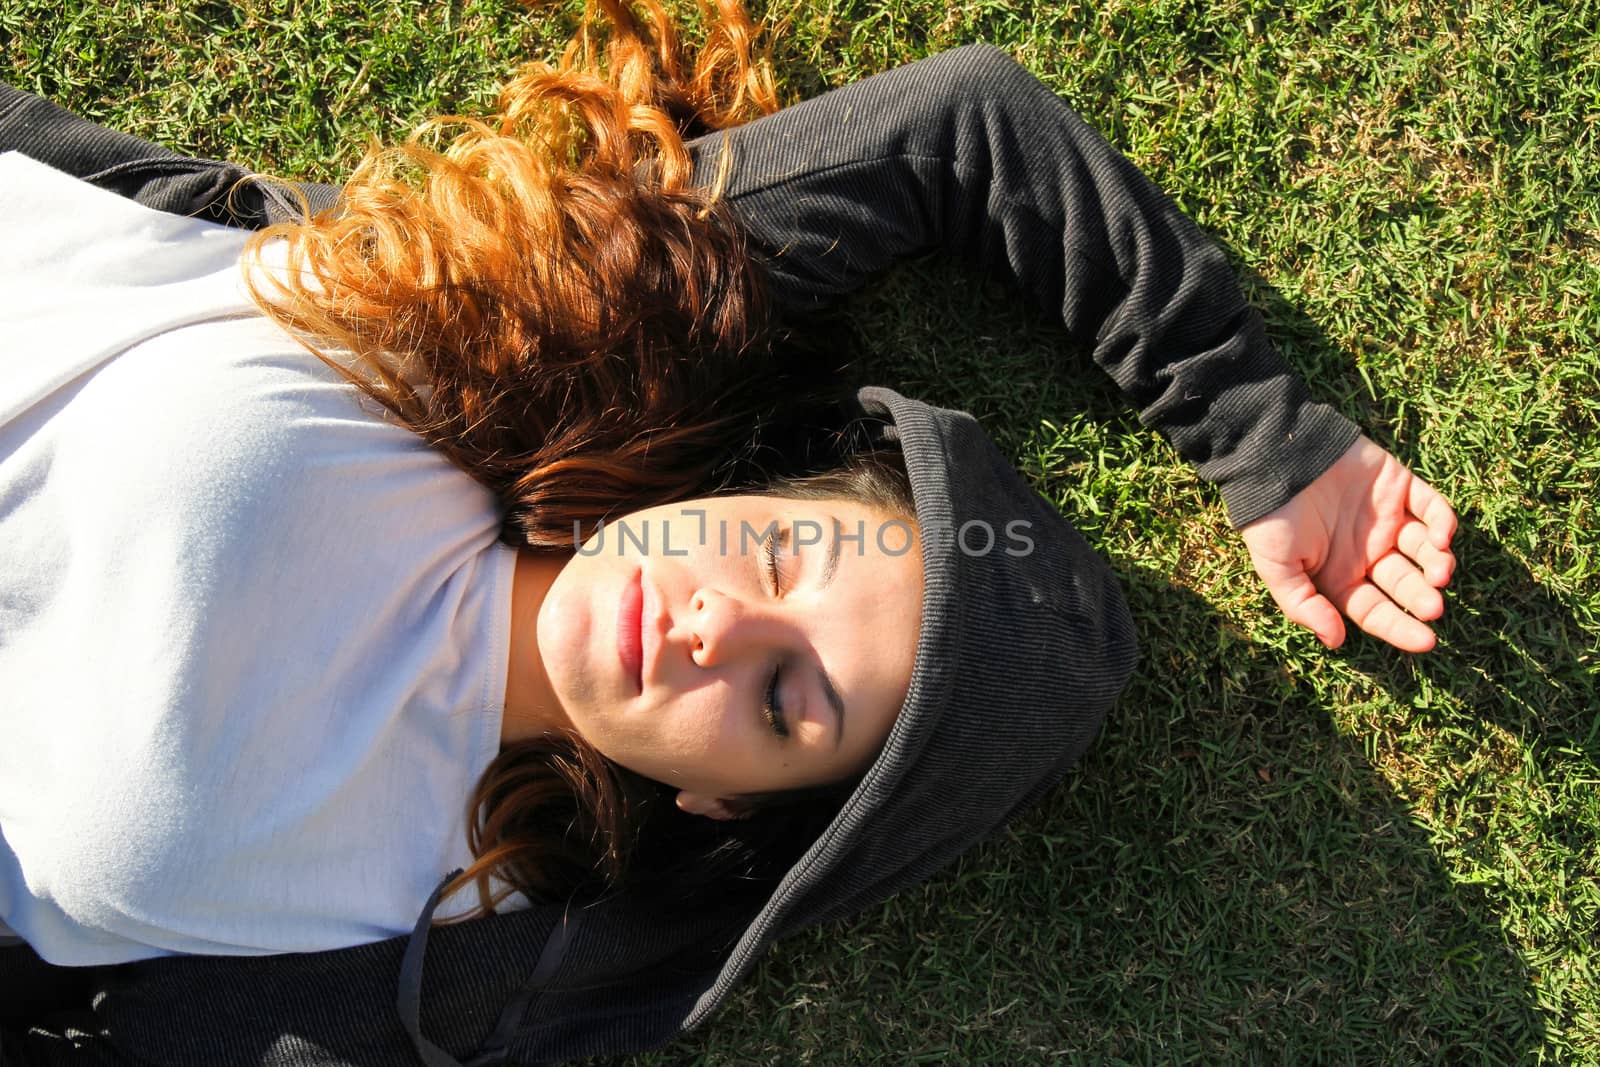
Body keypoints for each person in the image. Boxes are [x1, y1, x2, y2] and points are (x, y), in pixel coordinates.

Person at [0, 1, 1457, 1063]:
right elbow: (963, 127)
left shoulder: (460, 934)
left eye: (783, 697)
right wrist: (1264, 435)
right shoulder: (470, 344)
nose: (714, 626)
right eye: (777, 558)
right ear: (730, 497)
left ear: (729, 807)